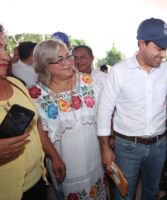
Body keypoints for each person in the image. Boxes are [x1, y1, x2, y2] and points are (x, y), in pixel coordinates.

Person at [98, 17, 167, 200]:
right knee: (123, 194)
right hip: (127, 147)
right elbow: (105, 109)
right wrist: (104, 147)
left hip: (159, 145)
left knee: (151, 192)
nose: (164, 54)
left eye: (165, 48)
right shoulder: (120, 71)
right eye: (159, 48)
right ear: (142, 44)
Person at [29, 39, 108, 199]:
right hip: (63, 161)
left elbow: (103, 115)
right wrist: (55, 157)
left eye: (68, 57)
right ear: (44, 65)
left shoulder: (87, 82)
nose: (68, 63)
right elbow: (40, 131)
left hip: (94, 156)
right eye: (60, 60)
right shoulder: (36, 94)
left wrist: (106, 146)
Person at [0, 24, 47, 200]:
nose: (6, 56)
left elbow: (35, 126)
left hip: (37, 181)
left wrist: (53, 156)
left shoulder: (17, 84)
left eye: (4, 48)